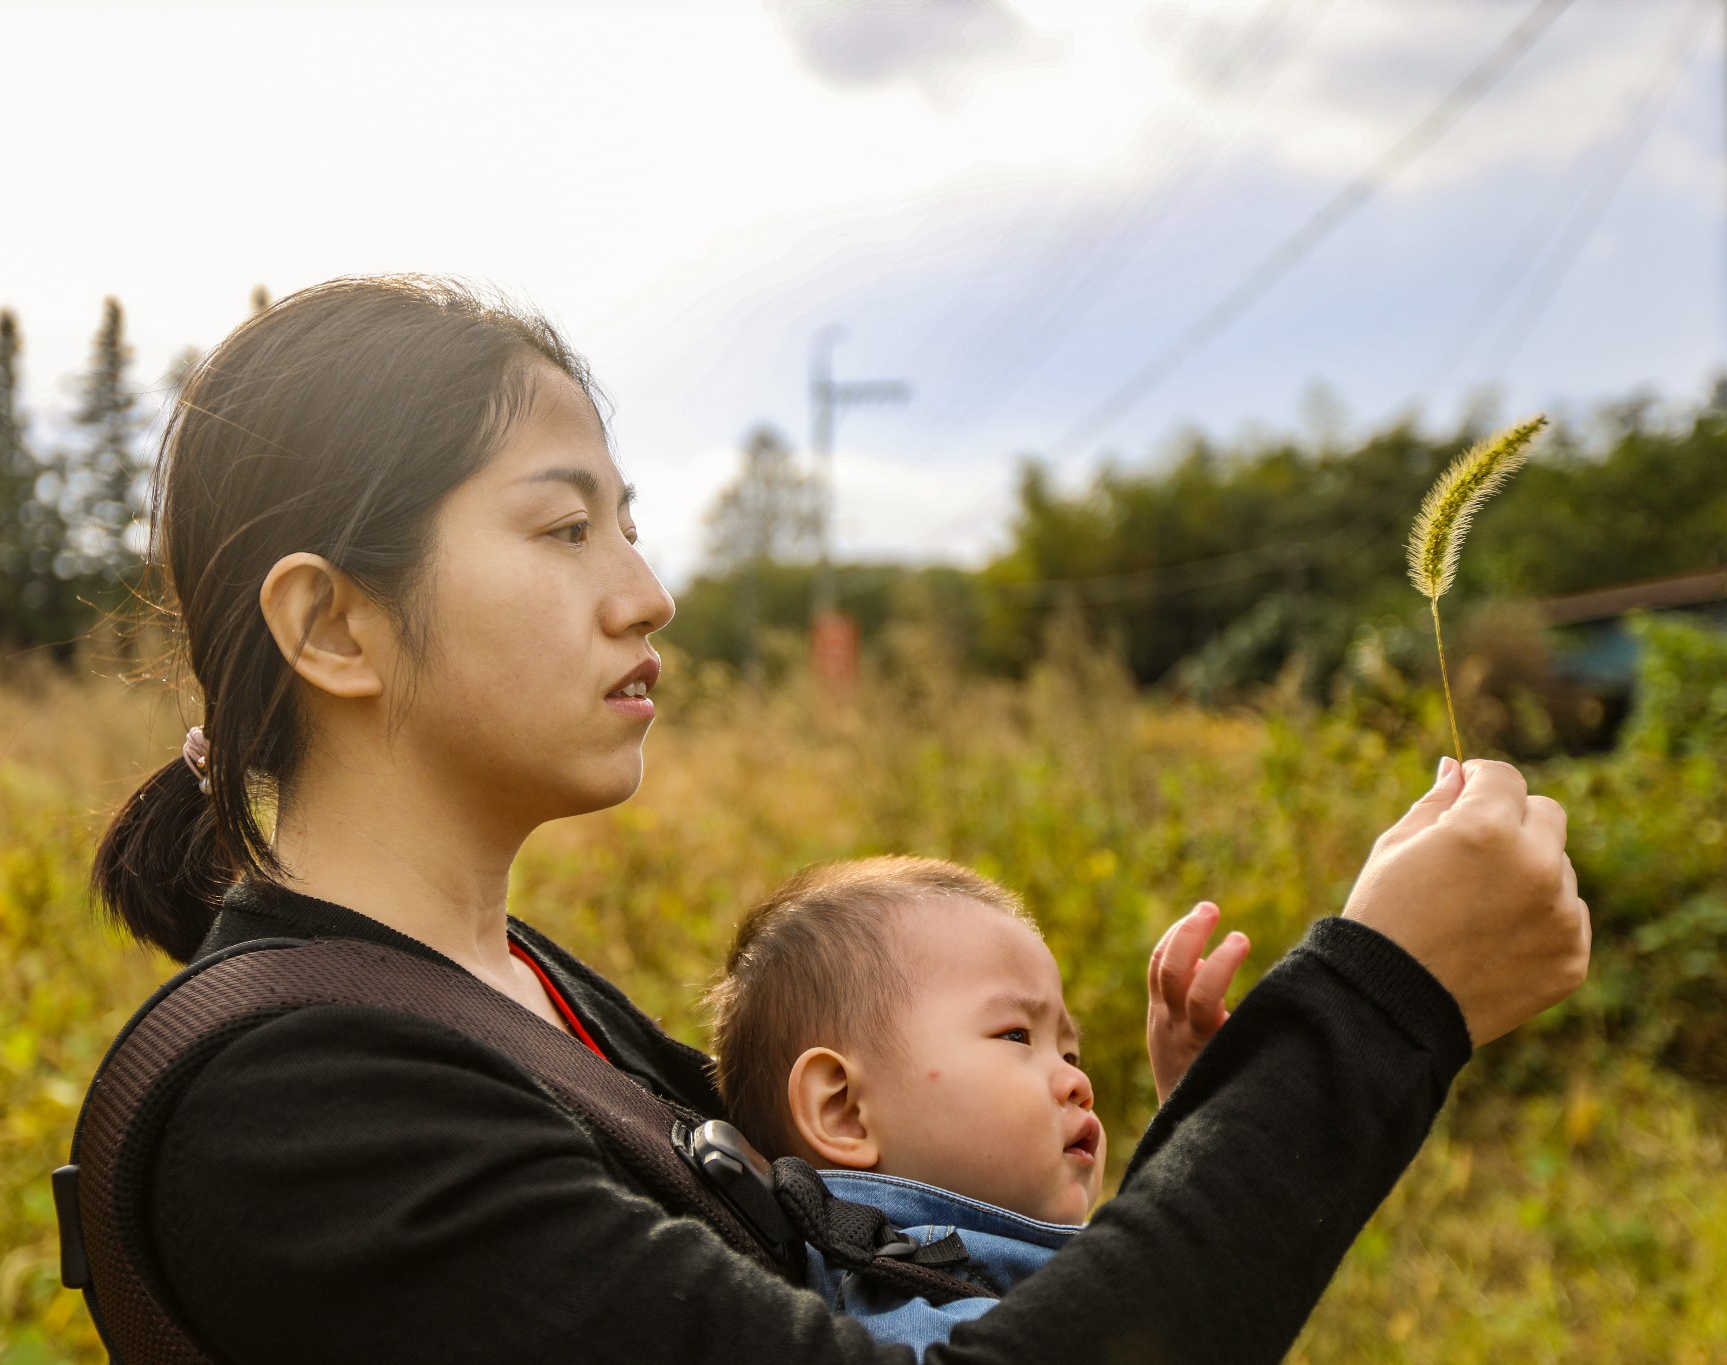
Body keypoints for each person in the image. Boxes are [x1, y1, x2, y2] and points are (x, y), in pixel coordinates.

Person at [87, 274, 1592, 1364]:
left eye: (629, 520)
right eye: (561, 528)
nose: (646, 591)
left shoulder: (512, 997)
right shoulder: (299, 1110)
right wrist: (1379, 1013)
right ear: (333, 627)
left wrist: (1207, 1139)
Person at [706, 857, 1254, 1357]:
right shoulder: (916, 1316)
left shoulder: (985, 1273)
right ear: (845, 1110)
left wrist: (1192, 1122)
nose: (1077, 1082)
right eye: (1017, 1035)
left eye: (1070, 1052)